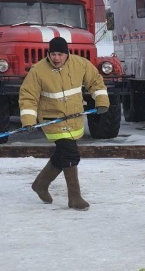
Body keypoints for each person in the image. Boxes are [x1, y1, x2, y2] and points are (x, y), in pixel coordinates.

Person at [19, 36, 109, 210]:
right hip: (52, 120)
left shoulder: (80, 64)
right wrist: (28, 120)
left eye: (60, 54)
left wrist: (102, 101)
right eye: (53, 54)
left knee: (62, 154)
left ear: (67, 53)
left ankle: (40, 184)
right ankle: (74, 197)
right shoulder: (38, 71)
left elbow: (95, 82)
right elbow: (28, 96)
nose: (56, 58)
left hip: (74, 118)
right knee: (70, 155)